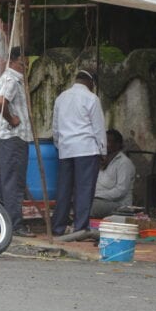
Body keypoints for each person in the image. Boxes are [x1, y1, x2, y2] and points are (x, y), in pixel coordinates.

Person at [0, 47, 35, 237]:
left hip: (7, 137)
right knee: (14, 182)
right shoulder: (12, 79)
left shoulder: (6, 78)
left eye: (27, 65)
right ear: (13, 62)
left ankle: (0, 222)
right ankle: (14, 223)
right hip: (15, 137)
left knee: (4, 181)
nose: (25, 68)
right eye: (23, 64)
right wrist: (10, 118)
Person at [51, 69, 107, 240]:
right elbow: (98, 128)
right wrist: (103, 150)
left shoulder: (61, 98)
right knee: (84, 189)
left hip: (66, 148)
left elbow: (55, 127)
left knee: (64, 189)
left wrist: (58, 145)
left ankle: (58, 227)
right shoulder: (92, 98)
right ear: (91, 82)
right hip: (86, 149)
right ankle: (80, 227)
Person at [90, 129, 135, 218]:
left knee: (90, 207)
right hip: (98, 199)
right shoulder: (103, 160)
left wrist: (96, 195)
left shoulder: (124, 163)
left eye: (108, 141)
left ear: (117, 145)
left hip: (119, 204)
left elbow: (120, 191)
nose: (105, 144)